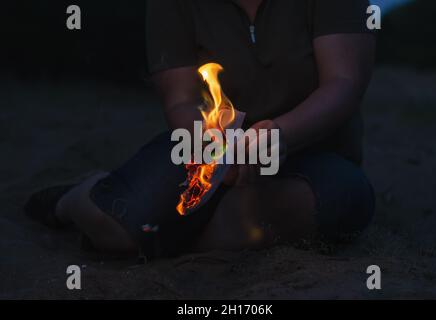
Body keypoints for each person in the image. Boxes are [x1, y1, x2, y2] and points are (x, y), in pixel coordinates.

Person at [25, 0, 376, 258]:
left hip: (311, 154)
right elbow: (180, 101)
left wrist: (279, 135)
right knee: (112, 227)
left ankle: (162, 234)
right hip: (207, 152)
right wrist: (215, 152)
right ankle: (75, 199)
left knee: (342, 201)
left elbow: (343, 82)